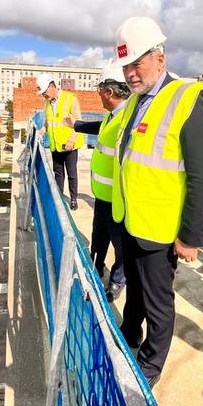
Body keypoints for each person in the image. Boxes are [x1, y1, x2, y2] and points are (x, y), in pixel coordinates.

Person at [111, 16, 203, 387]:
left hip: (160, 228)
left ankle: (151, 366)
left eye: (136, 63)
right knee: (135, 293)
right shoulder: (136, 102)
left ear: (159, 56)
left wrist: (190, 236)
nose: (129, 73)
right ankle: (129, 335)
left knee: (158, 304)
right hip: (131, 221)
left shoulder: (188, 98)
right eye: (125, 65)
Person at [67, 61, 130, 301]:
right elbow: (99, 128)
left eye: (99, 90)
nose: (98, 95)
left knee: (120, 245)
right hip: (103, 196)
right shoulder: (112, 116)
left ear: (109, 92)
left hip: (118, 199)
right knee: (99, 237)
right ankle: (96, 266)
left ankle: (116, 281)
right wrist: (76, 125)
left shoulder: (126, 118)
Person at [37, 73, 84, 210]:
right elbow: (49, 121)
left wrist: (71, 140)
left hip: (69, 145)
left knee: (71, 173)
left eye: (44, 92)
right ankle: (59, 197)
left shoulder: (70, 99)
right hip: (55, 145)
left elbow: (77, 122)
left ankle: (73, 199)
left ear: (52, 86)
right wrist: (42, 130)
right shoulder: (46, 102)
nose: (43, 95)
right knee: (58, 173)